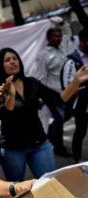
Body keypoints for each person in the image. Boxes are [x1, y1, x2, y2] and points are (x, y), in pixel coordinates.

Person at [0, 47, 88, 181]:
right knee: (16, 192)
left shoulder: (31, 83)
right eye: (7, 60)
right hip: (13, 149)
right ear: (0, 66)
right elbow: (5, 115)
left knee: (50, 185)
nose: (13, 62)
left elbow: (59, 100)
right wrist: (11, 94)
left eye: (15, 58)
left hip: (39, 145)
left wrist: (76, 80)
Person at [34, 27, 71, 157]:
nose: (58, 38)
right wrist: (41, 97)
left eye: (59, 36)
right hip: (51, 92)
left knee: (66, 115)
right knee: (60, 117)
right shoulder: (43, 55)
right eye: (55, 36)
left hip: (65, 91)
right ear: (48, 38)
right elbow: (40, 77)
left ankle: (50, 134)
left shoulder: (62, 49)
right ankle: (59, 147)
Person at [61, 29, 88, 163]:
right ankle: (77, 161)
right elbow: (67, 88)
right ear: (83, 42)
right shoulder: (72, 62)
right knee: (80, 131)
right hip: (81, 105)